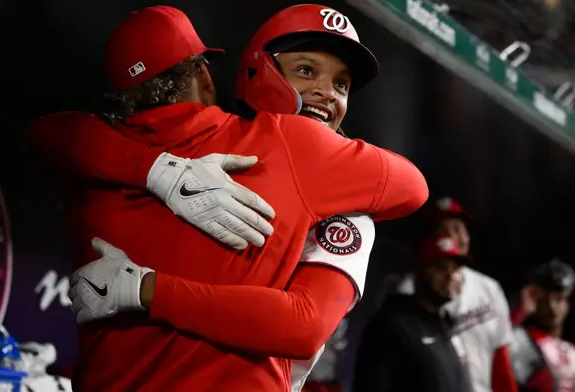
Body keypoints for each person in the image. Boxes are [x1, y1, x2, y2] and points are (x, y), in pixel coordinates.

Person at [27, 5, 428, 392]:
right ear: (206, 75)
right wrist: (158, 172)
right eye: (306, 71)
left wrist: (153, 173)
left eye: (341, 84)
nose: (326, 93)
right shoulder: (290, 145)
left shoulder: (91, 157)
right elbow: (414, 187)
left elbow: (45, 135)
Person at [396, 197, 518, 392]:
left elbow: (501, 358)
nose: (453, 238)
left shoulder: (489, 288)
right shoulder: (408, 292)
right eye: (442, 231)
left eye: (458, 228)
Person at [355, 235, 472, 392]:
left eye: (455, 268)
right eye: (441, 268)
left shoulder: (446, 323)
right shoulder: (389, 327)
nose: (450, 276)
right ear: (419, 273)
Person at [509, 259, 575, 392]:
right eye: (545, 300)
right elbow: (496, 347)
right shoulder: (520, 340)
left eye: (558, 299)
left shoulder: (571, 351)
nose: (552, 307)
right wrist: (520, 313)